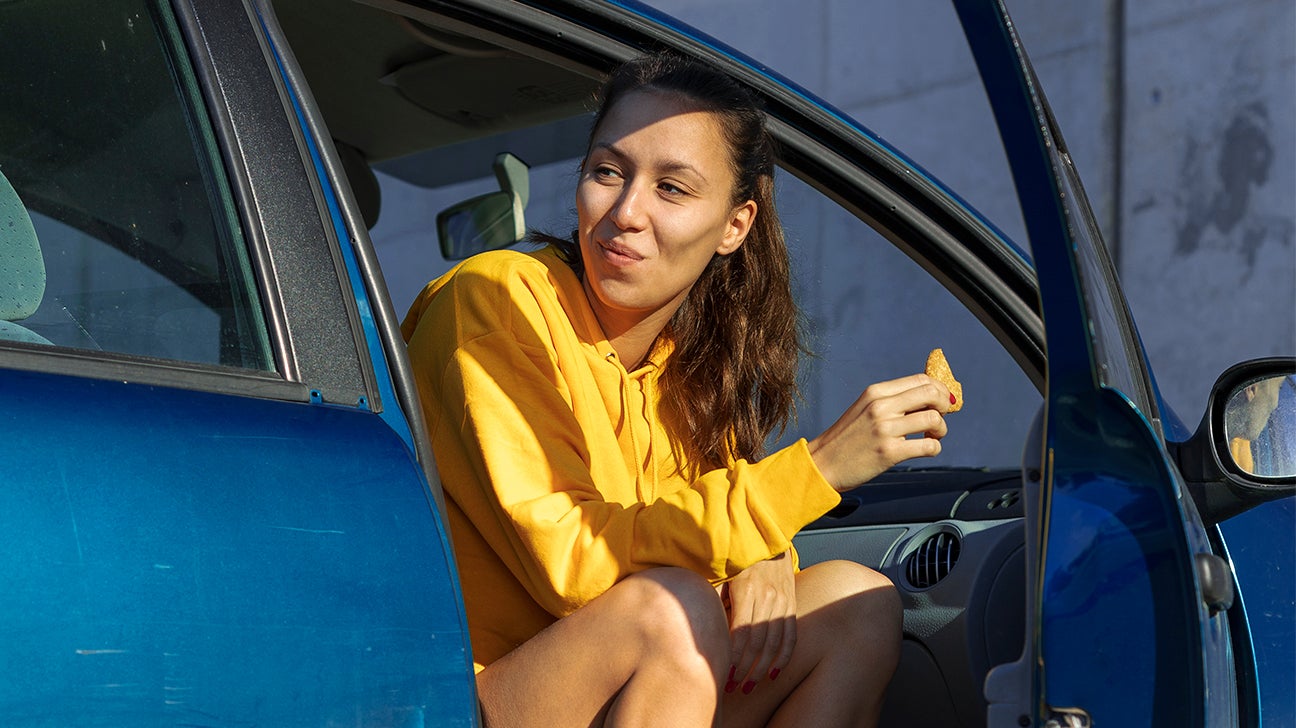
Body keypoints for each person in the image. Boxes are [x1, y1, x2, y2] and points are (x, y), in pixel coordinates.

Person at [401, 52, 956, 727]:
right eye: (608, 172)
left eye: (671, 188)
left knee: (856, 603)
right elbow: (576, 562)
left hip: (631, 685)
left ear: (734, 225)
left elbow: (707, 521)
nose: (626, 211)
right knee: (671, 611)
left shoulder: (691, 367)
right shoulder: (495, 300)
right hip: (461, 699)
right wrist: (817, 472)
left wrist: (766, 554)